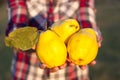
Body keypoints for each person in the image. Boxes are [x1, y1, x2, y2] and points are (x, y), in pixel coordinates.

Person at [5, 0, 102, 80]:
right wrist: (30, 42)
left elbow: (87, 21)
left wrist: (93, 36)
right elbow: (15, 26)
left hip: (71, 74)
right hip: (27, 72)